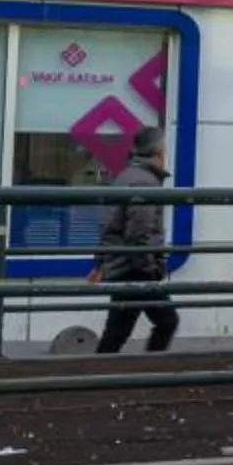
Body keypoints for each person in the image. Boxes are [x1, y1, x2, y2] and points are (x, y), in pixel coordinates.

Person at [90, 128, 178, 355]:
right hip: (135, 267)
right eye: (165, 148)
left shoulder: (126, 176)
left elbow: (109, 224)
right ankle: (146, 372)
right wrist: (150, 268)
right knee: (166, 321)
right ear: (158, 151)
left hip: (124, 263)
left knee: (118, 330)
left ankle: (98, 372)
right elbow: (139, 232)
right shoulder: (145, 183)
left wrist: (100, 262)